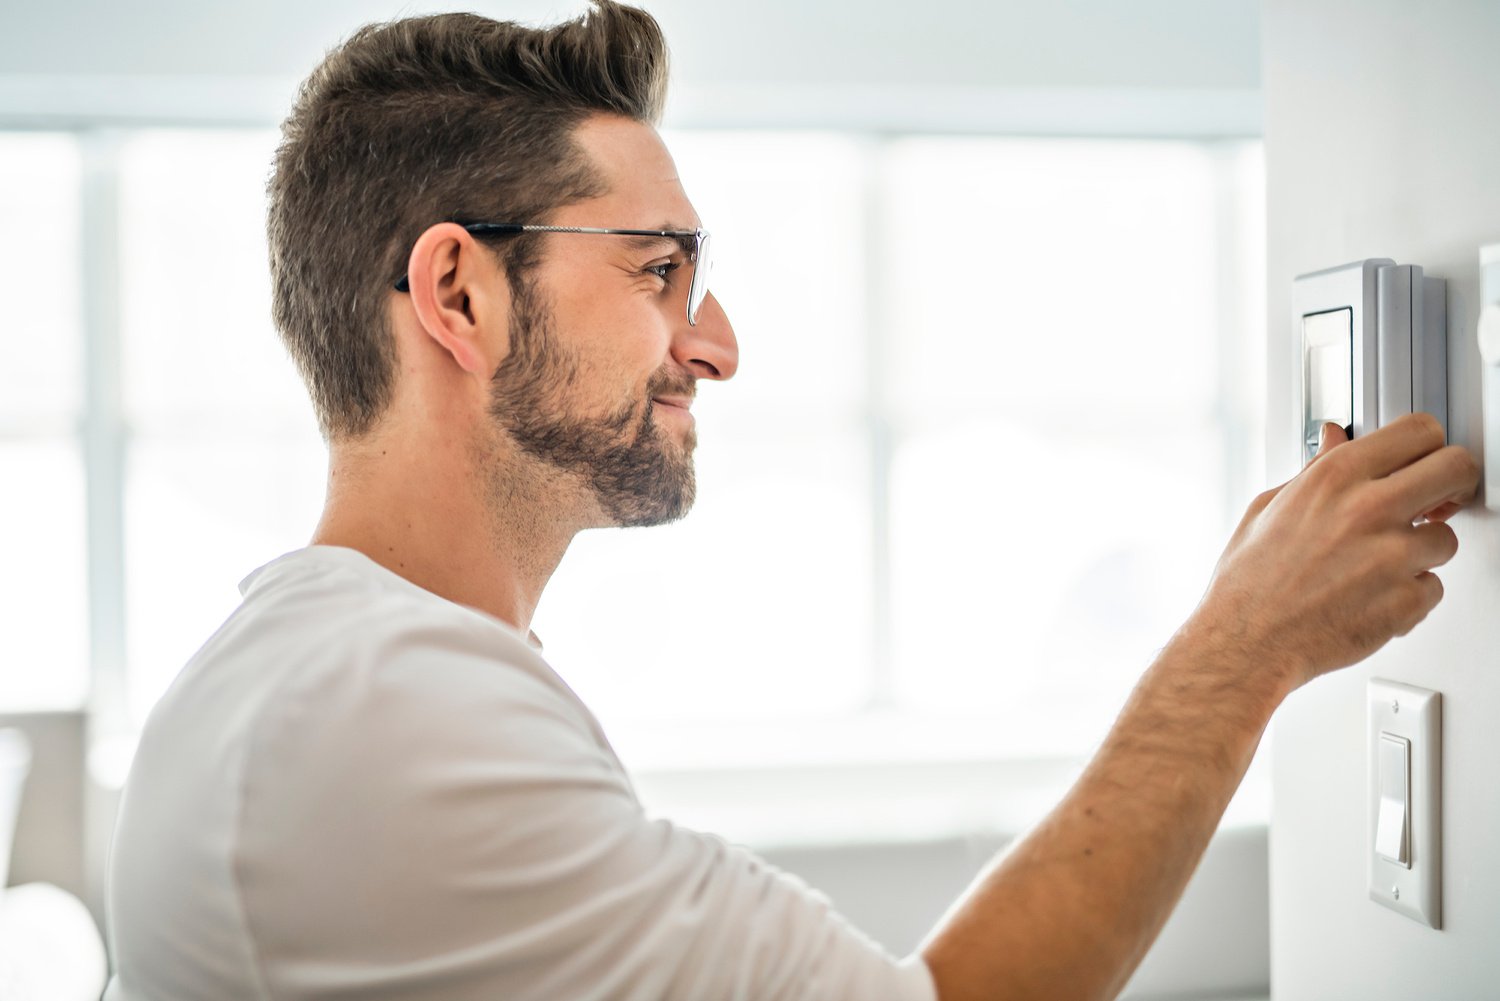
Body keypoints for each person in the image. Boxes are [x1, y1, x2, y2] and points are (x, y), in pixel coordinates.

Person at [103, 3, 1479, 999]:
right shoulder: (382, 712)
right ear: (458, 294)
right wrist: (1243, 652)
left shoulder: (309, 676)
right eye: (656, 271)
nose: (717, 343)